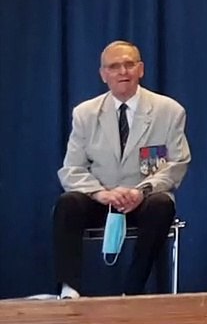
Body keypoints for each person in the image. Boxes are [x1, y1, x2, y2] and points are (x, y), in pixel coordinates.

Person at [52, 41, 191, 298]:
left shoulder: (169, 111)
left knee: (162, 204)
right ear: (103, 74)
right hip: (101, 198)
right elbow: (71, 169)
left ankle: (133, 291)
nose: (122, 72)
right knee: (68, 203)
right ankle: (69, 289)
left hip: (143, 200)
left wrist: (141, 190)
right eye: (114, 67)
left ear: (141, 69)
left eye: (129, 64)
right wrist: (101, 193)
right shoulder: (85, 113)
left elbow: (177, 164)